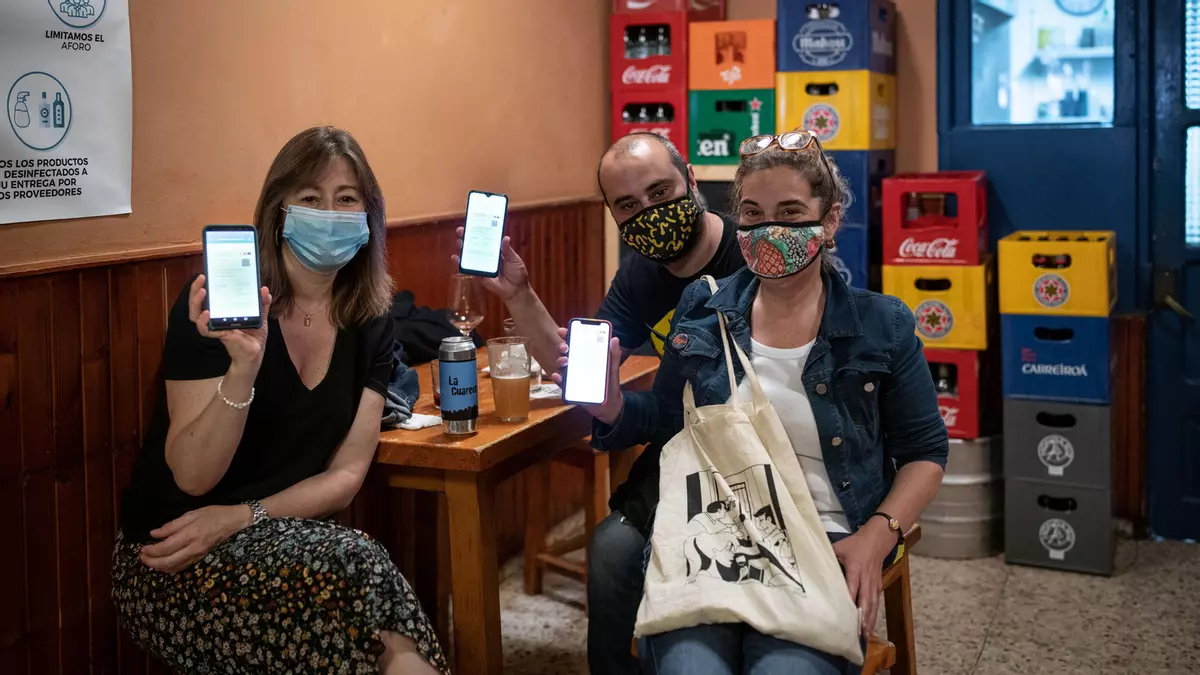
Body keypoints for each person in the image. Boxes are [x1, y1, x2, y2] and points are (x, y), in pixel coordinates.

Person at [583, 130, 949, 674]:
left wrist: (877, 536)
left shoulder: (883, 325)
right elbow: (667, 421)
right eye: (753, 213)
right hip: (713, 533)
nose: (769, 229)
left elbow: (925, 452)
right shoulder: (702, 308)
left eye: (791, 212)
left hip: (825, 539)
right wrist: (612, 406)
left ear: (829, 220)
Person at [112, 127, 447, 675]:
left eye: (347, 199)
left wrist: (242, 517)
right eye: (310, 198)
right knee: (358, 584)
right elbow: (192, 477)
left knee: (361, 602)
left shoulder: (371, 322)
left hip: (276, 535)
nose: (330, 214)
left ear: (369, 216)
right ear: (279, 212)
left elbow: (347, 474)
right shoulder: (219, 309)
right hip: (173, 554)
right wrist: (243, 368)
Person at [454, 132, 746, 674]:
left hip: (764, 454)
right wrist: (519, 294)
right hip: (684, 454)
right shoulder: (639, 275)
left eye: (660, 192)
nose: (649, 212)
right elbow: (578, 368)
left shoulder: (752, 254)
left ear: (690, 180)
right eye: (628, 205)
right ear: (613, 215)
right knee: (612, 551)